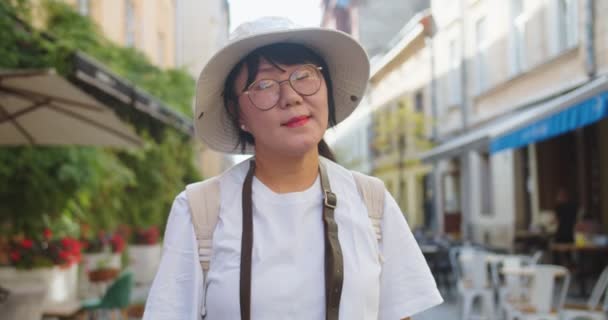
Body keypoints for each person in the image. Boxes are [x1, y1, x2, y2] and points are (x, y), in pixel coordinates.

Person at [143, 17, 443, 320]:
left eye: (304, 75)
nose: (291, 97)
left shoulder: (371, 201)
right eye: (263, 84)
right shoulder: (200, 211)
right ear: (237, 114)